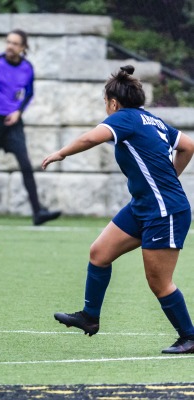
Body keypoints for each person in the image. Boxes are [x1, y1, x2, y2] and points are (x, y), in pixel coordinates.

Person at [42, 65, 194, 354]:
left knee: (159, 282)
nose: (106, 109)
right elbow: (187, 145)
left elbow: (91, 138)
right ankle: (90, 317)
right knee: (100, 253)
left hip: (165, 211)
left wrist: (61, 153)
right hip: (143, 206)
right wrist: (172, 175)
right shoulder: (152, 120)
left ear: (113, 103)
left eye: (105, 104)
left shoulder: (125, 118)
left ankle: (189, 336)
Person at [0, 28, 60, 226]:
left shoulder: (28, 67)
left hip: (12, 123)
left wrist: (19, 111)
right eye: (8, 42)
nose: (10, 46)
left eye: (15, 43)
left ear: (23, 47)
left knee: (26, 164)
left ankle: (38, 213)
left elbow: (28, 93)